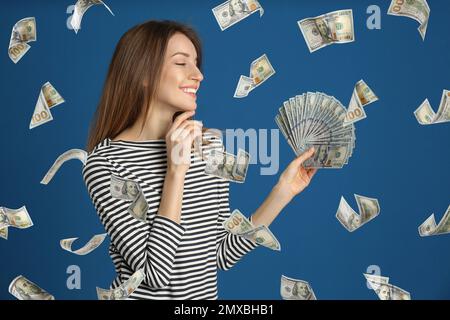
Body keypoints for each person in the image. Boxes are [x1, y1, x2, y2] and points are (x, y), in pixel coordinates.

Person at [82, 20, 317, 300]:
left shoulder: (209, 146)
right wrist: (175, 172)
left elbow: (220, 253)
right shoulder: (105, 164)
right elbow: (155, 274)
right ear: (142, 73)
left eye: (196, 63)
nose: (198, 75)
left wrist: (283, 192)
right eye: (181, 63)